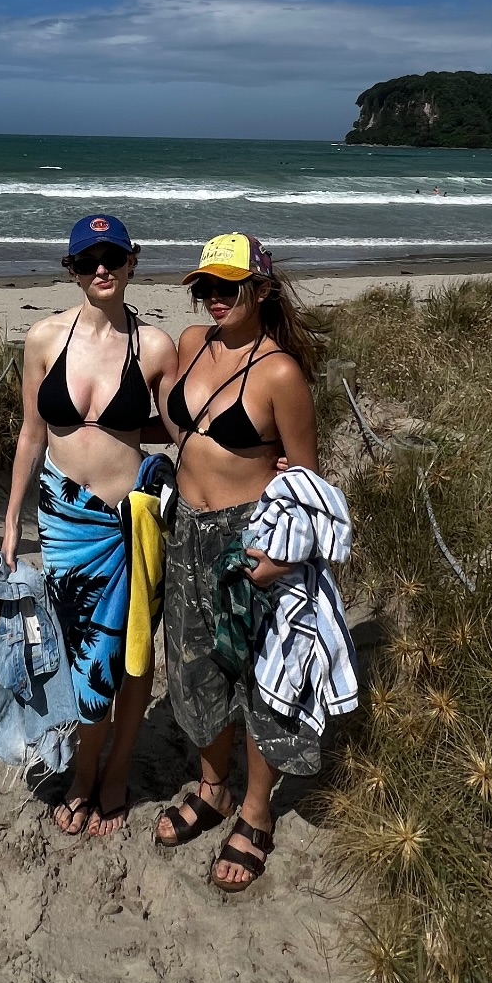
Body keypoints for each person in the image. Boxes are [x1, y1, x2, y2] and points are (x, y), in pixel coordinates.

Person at [154, 233, 329, 892]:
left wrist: (278, 559)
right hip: (185, 531)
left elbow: (307, 481)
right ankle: (213, 787)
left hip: (248, 538)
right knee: (193, 666)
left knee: (261, 678)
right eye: (206, 286)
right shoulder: (191, 341)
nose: (215, 298)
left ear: (261, 288)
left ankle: (255, 811)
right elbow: (183, 428)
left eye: (228, 287)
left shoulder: (281, 373)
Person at [2, 214, 177, 837]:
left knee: (133, 652)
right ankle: (82, 771)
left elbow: (185, 427)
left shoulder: (155, 347)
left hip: (129, 523)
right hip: (62, 520)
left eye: (112, 257)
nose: (101, 268)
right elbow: (31, 434)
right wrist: (11, 518)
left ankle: (115, 769)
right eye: (86, 260)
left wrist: (265, 456)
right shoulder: (44, 338)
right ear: (73, 271)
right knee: (78, 649)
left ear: (131, 263)